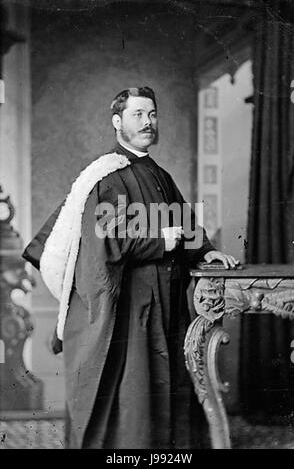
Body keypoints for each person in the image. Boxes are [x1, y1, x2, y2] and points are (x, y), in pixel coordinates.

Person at [23, 86, 238, 449]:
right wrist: (163, 242)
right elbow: (105, 243)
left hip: (165, 306)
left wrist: (204, 252)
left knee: (166, 390)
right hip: (129, 309)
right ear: (117, 121)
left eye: (152, 114)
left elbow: (183, 224)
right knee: (132, 397)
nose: (147, 122)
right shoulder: (106, 176)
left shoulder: (159, 174)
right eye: (138, 114)